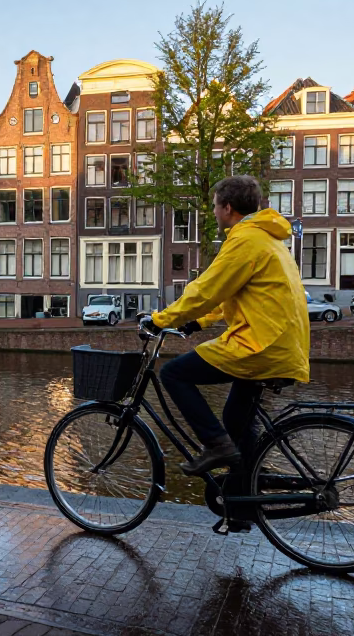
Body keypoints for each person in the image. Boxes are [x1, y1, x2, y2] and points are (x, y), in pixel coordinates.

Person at [142, 175, 310, 480]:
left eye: (215, 206)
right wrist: (199, 321)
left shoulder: (245, 240)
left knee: (173, 373)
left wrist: (160, 320)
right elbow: (232, 293)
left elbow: (207, 290)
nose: (215, 213)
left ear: (228, 207)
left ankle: (215, 447)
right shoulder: (266, 238)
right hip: (282, 344)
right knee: (236, 423)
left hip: (261, 345)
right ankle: (244, 502)